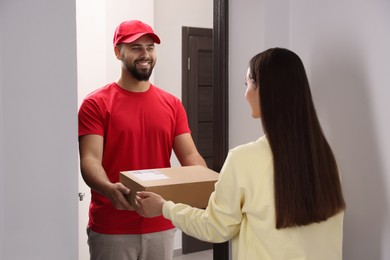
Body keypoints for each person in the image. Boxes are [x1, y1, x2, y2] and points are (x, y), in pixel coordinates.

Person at [135, 48, 346, 260]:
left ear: (264, 91)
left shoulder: (243, 159)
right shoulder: (325, 158)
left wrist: (164, 207)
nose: (246, 94)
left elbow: (215, 227)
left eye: (248, 84)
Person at [78, 20, 206, 260]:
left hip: (161, 223)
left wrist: (205, 182)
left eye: (150, 47)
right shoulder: (96, 104)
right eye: (136, 47)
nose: (145, 54)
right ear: (118, 52)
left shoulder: (172, 104)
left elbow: (190, 155)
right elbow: (89, 159)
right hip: (112, 229)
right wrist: (107, 188)